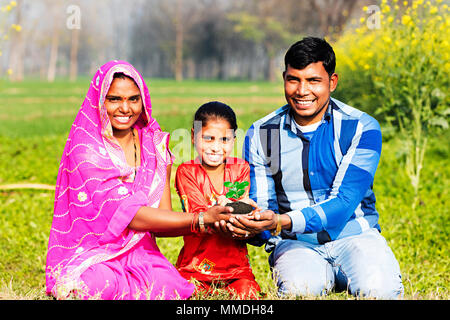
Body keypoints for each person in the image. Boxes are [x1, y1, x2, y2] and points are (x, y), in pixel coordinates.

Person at [231, 37, 404, 299]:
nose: (302, 91)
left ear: (332, 82)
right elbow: (263, 206)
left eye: (313, 80)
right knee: (299, 293)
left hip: (356, 236)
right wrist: (249, 225)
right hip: (295, 243)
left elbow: (344, 203)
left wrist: (281, 221)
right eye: (293, 79)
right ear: (284, 79)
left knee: (380, 291)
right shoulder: (260, 133)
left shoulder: (361, 127)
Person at [45, 61, 233, 300]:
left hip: (140, 252)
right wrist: (203, 219)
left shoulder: (153, 144)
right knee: (96, 287)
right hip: (94, 253)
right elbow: (128, 215)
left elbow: (161, 221)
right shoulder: (86, 150)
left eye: (134, 99)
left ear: (143, 100)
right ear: (99, 100)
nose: (125, 108)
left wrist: (216, 216)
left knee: (170, 287)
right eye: (114, 99)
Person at [174, 101, 261, 299]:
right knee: (180, 292)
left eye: (224, 140)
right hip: (195, 266)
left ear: (233, 140)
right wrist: (234, 209)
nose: (216, 147)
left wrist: (241, 210)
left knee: (247, 291)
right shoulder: (187, 171)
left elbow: (241, 213)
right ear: (193, 137)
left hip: (235, 268)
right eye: (208, 138)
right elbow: (199, 214)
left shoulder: (240, 168)